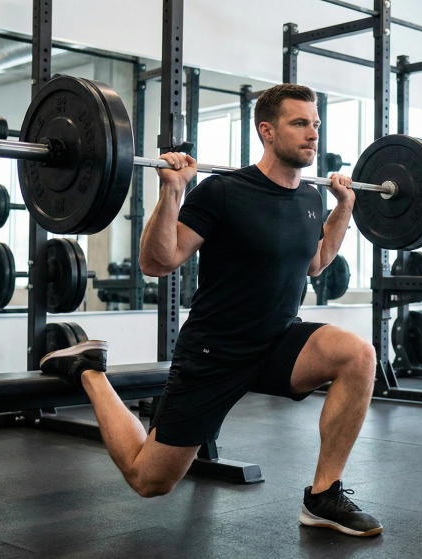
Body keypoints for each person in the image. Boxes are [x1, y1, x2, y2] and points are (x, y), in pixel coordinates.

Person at [39, 84, 383, 537]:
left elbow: (316, 263)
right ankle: (88, 371)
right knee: (150, 481)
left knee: (358, 355)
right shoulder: (223, 191)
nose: (312, 134)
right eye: (300, 123)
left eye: (315, 124)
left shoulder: (310, 198)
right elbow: (156, 262)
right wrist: (173, 192)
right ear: (267, 131)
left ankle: (323, 497)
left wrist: (345, 209)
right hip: (215, 353)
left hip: (278, 340)